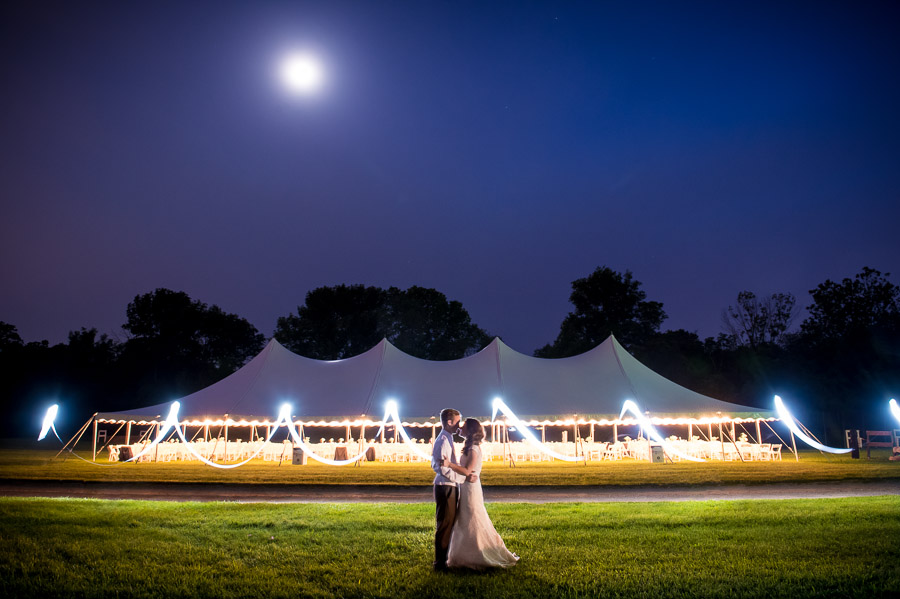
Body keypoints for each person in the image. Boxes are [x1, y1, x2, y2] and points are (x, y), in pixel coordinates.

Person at [442, 417, 519, 570]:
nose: (460, 428)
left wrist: (449, 464)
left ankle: (475, 555)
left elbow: (467, 471)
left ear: (470, 431)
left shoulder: (473, 449)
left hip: (471, 489)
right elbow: (467, 471)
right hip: (467, 486)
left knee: (471, 517)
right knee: (465, 518)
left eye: (463, 427)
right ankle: (463, 554)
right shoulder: (470, 447)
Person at [431, 408, 477, 572]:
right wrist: (462, 478)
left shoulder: (447, 437)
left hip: (449, 486)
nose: (459, 425)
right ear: (449, 422)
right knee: (445, 524)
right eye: (458, 422)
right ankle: (440, 564)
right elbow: (440, 467)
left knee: (448, 523)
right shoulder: (443, 439)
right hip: (445, 487)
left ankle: (444, 560)